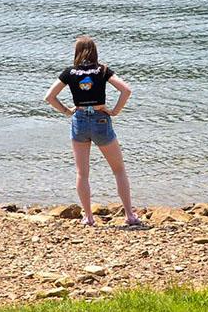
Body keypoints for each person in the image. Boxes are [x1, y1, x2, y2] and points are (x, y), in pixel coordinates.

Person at [44, 36, 140, 227]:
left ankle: (88, 217)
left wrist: (66, 111)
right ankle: (129, 215)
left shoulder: (69, 72)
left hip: (79, 120)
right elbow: (126, 90)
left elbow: (49, 96)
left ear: (76, 52)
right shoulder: (102, 70)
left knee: (82, 173)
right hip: (100, 119)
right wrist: (115, 111)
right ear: (94, 51)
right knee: (119, 170)